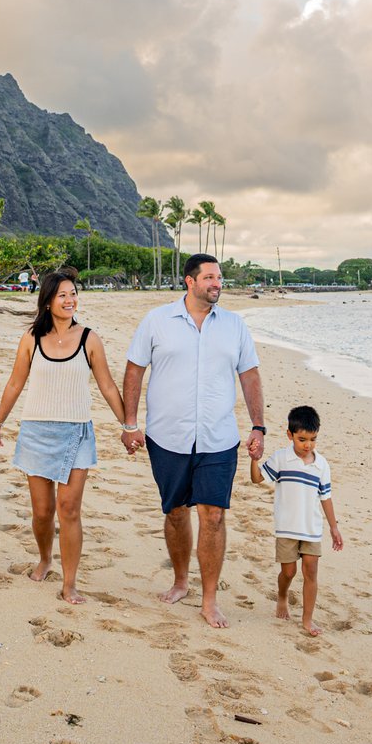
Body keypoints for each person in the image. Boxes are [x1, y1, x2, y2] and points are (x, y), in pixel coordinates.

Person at [120, 253, 267, 628]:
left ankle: (210, 599)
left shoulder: (234, 325)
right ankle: (181, 581)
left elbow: (249, 375)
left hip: (219, 438)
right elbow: (134, 370)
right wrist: (130, 423)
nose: (217, 283)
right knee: (175, 512)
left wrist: (258, 426)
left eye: (219, 278)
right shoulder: (157, 321)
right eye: (210, 277)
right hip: (167, 436)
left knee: (213, 516)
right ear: (190, 281)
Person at [0, 269, 128, 604]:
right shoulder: (31, 338)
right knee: (42, 512)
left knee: (69, 509)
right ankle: (44, 558)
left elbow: (108, 386)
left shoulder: (89, 339)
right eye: (62, 295)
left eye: (73, 294)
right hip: (37, 431)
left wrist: (129, 426)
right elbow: (15, 383)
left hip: (77, 432)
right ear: (48, 301)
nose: (69, 300)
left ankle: (70, 582)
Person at [252, 404, 344, 636]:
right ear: (290, 435)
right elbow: (257, 479)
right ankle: (282, 596)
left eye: (313, 440)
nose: (307, 445)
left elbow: (326, 498)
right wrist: (254, 459)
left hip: (311, 529)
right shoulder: (281, 458)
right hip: (287, 528)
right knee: (289, 572)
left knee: (311, 572)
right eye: (302, 439)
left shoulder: (321, 465)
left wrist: (334, 527)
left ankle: (307, 619)